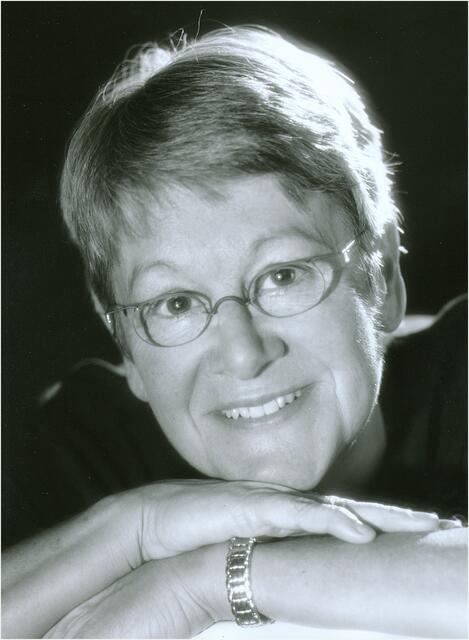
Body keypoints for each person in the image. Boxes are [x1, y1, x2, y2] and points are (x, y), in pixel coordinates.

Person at [2, 25, 467, 639]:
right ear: (124, 341)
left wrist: (204, 582)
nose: (244, 354)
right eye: (175, 304)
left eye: (283, 276)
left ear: (382, 276)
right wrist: (134, 528)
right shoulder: (78, 449)